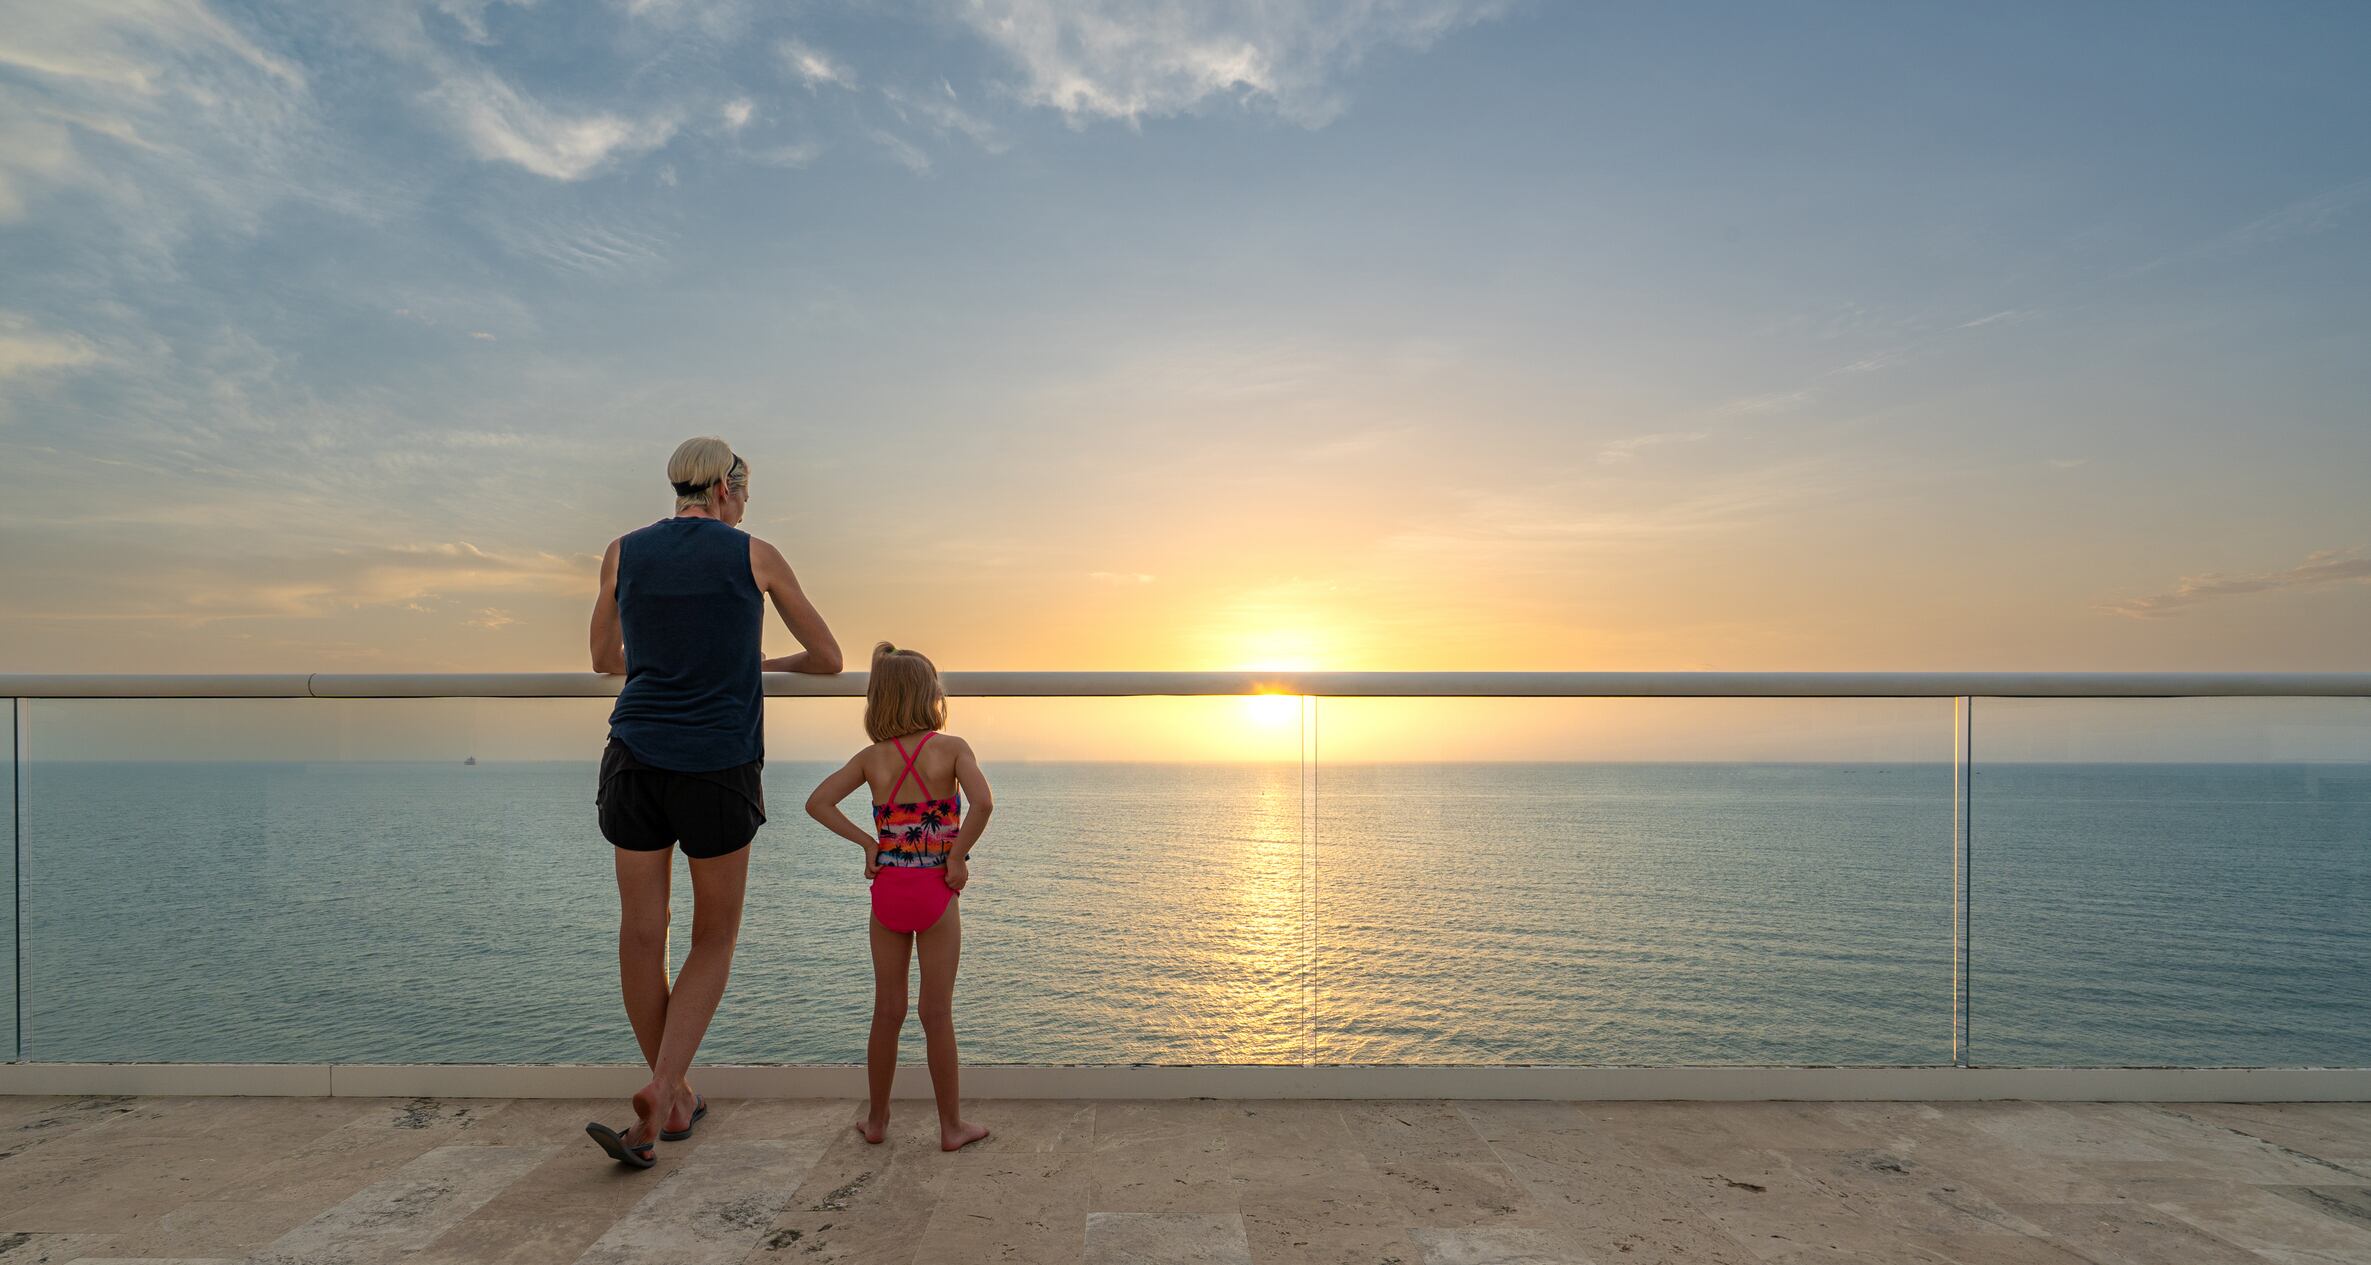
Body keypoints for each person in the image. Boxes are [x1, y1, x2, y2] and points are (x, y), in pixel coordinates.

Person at [584, 436, 842, 1168]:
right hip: (717, 763)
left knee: (641, 932)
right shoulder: (753, 554)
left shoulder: (622, 552)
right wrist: (755, 663)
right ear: (727, 492)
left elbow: (605, 661)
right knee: (713, 936)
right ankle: (666, 1087)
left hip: (633, 756)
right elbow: (829, 658)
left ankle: (675, 1096)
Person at [805, 642, 993, 1152]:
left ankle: (879, 1120)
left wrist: (868, 842)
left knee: (887, 1011)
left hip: (888, 891)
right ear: (930, 696)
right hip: (936, 891)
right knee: (937, 1014)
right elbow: (983, 802)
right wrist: (956, 858)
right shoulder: (952, 748)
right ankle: (951, 1127)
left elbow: (817, 802)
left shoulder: (871, 759)